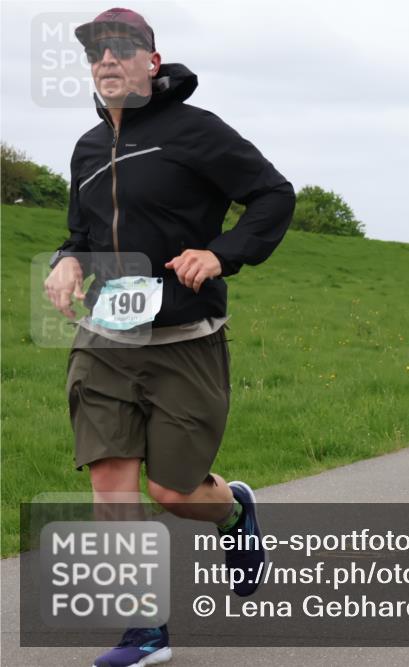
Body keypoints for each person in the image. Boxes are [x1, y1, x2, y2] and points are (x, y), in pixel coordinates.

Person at [42, 8, 295, 666]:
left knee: (174, 492)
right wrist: (65, 262)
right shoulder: (87, 150)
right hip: (106, 336)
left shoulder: (194, 130)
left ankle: (234, 510)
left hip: (185, 334)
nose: (106, 59)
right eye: (95, 51)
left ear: (151, 63)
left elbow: (273, 195)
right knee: (110, 481)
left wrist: (221, 254)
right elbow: (81, 234)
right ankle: (145, 629)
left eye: (122, 48)